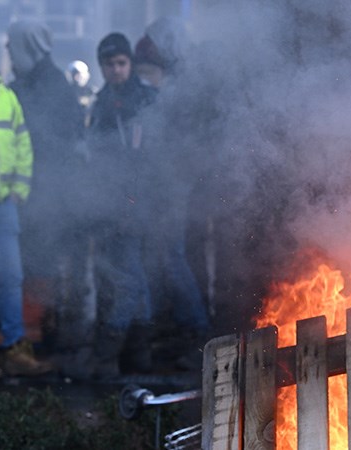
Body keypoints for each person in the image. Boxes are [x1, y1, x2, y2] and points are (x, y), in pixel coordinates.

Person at [6, 19, 88, 374]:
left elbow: (53, 141)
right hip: (32, 192)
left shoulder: (50, 85)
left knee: (40, 264)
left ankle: (41, 336)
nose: (8, 53)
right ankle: (34, 333)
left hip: (46, 194)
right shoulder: (26, 83)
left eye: (12, 46)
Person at [134, 17, 211, 369]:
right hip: (167, 184)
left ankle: (195, 329)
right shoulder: (178, 86)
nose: (144, 78)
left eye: (148, 71)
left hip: (175, 185)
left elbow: (182, 144)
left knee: (172, 256)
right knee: (168, 255)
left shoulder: (184, 91)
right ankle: (183, 328)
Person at [87, 32, 157, 378]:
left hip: (140, 200)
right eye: (109, 64)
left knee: (129, 276)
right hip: (110, 201)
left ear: (129, 63)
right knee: (132, 276)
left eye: (121, 63)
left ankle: (106, 353)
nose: (115, 70)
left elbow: (157, 156)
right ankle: (138, 355)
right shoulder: (102, 103)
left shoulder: (146, 100)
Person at [0, 72, 52, 376]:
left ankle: (14, 348)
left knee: (10, 278)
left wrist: (19, 190)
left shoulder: (7, 98)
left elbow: (23, 145)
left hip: (4, 204)